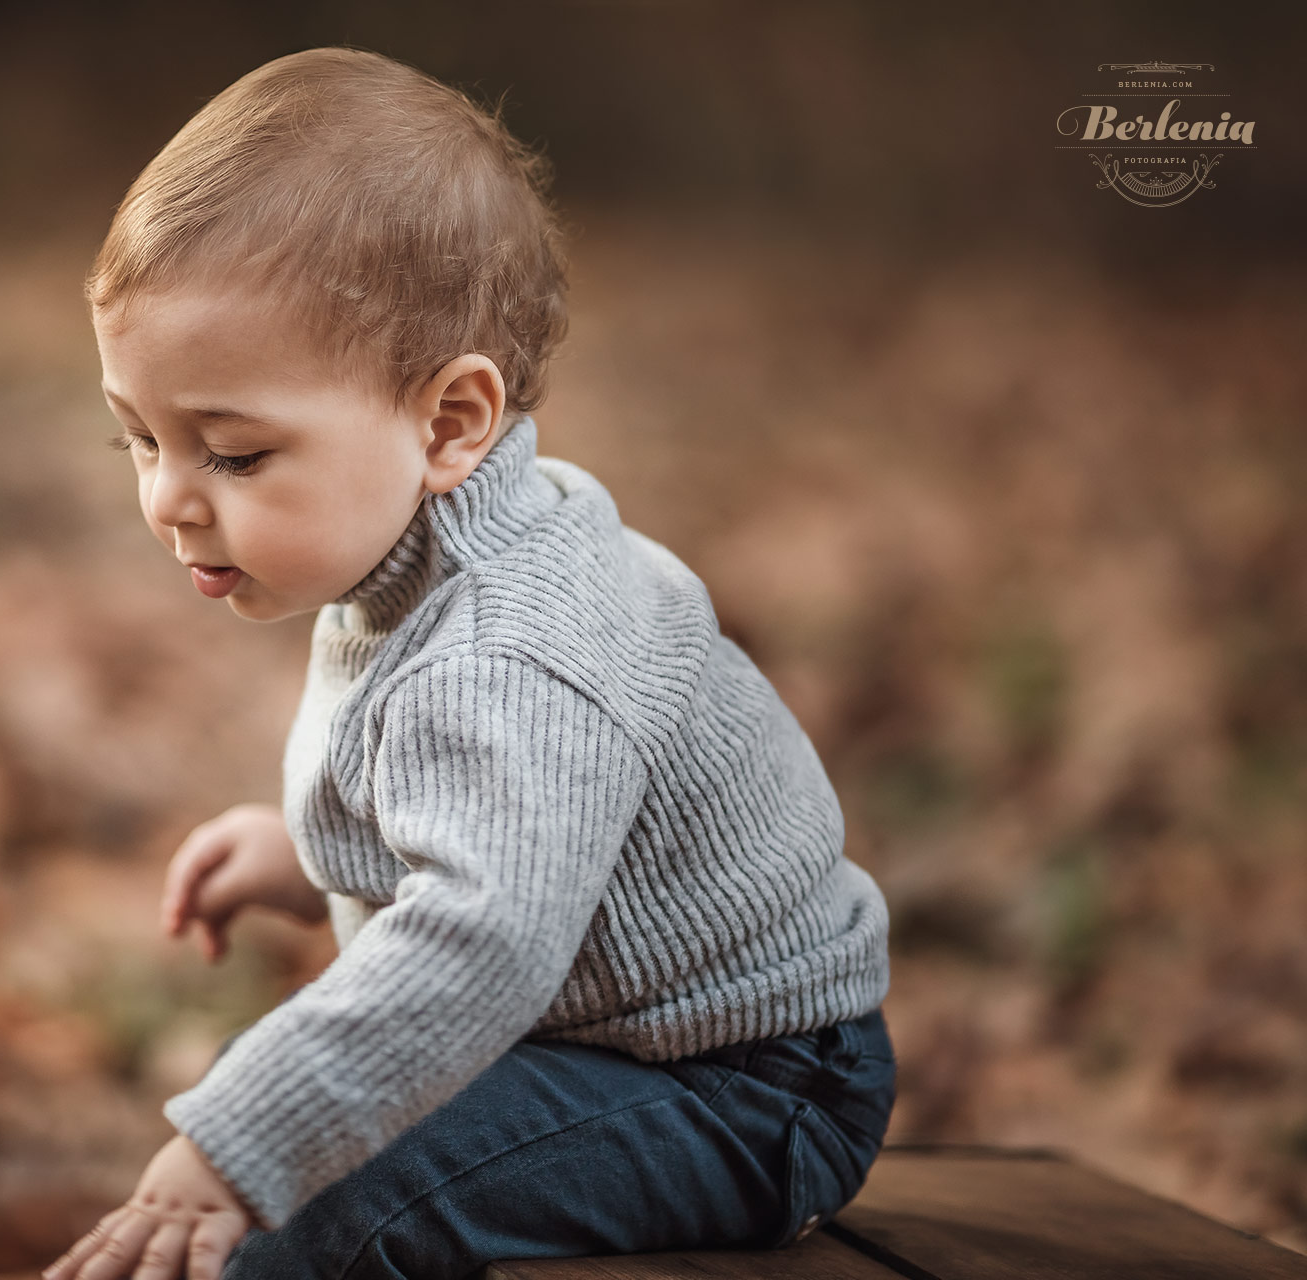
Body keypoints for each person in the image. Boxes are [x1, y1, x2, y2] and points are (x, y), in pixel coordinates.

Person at [45, 46, 893, 1280]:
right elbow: (520, 826)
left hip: (748, 1084)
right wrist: (309, 851)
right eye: (137, 436)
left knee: (301, 1204)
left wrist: (237, 1147)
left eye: (231, 453)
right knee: (276, 1127)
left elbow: (484, 934)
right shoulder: (417, 546)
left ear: (449, 422)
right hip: (610, 1026)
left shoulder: (513, 646)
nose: (170, 497)